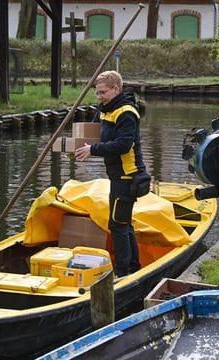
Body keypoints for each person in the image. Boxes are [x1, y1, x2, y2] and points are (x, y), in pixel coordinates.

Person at [75, 71, 146, 277]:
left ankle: (123, 274)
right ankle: (133, 267)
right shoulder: (106, 110)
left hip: (128, 176)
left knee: (118, 225)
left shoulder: (126, 112)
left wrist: (92, 150)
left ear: (116, 89)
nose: (100, 97)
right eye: (97, 93)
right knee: (124, 223)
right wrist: (77, 148)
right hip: (117, 176)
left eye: (103, 92)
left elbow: (123, 145)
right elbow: (92, 133)